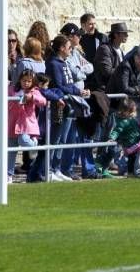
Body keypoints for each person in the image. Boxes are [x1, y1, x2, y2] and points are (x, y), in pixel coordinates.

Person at [45, 35, 90, 182]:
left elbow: (69, 83)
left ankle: (56, 169)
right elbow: (58, 85)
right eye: (69, 47)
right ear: (61, 48)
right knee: (55, 139)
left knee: (63, 140)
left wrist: (81, 91)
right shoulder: (53, 63)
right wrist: (77, 91)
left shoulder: (63, 63)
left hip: (68, 106)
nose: (71, 50)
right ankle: (49, 169)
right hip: (58, 106)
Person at [60, 23, 96, 180]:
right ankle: (63, 169)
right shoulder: (65, 54)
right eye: (77, 35)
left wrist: (80, 71)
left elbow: (90, 67)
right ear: (69, 36)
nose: (80, 37)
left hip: (80, 99)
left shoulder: (75, 52)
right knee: (66, 137)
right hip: (70, 100)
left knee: (77, 136)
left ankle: (70, 169)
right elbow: (74, 73)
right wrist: (81, 72)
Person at [7, 70, 46, 183]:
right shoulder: (13, 89)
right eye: (24, 81)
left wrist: (32, 97)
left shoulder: (35, 91)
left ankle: (34, 144)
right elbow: (6, 100)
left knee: (24, 140)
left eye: (29, 81)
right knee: (11, 151)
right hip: (12, 123)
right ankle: (8, 175)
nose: (26, 83)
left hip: (26, 124)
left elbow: (43, 101)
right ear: (20, 80)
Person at [108, 98, 140, 177]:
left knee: (133, 158)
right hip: (127, 143)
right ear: (125, 111)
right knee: (123, 157)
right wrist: (112, 138)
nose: (134, 113)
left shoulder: (132, 119)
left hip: (135, 142)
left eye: (134, 111)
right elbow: (117, 130)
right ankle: (124, 169)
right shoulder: (123, 122)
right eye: (132, 111)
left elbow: (137, 128)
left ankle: (130, 170)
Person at [94, 22, 130, 91]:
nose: (127, 35)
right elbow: (107, 71)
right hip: (106, 90)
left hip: (116, 89)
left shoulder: (120, 50)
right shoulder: (104, 49)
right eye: (124, 33)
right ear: (116, 34)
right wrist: (125, 71)